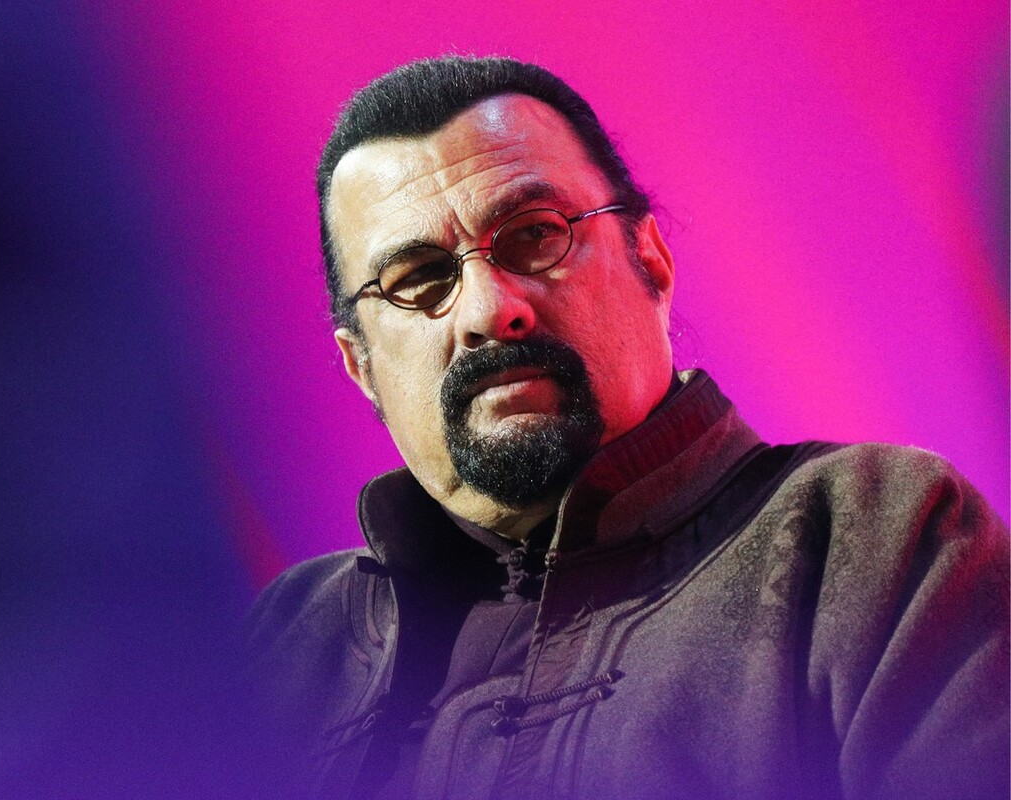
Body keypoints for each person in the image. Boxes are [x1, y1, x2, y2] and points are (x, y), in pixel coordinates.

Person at [237, 56, 1008, 800]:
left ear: (652, 261)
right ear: (361, 367)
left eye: (535, 235)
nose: (489, 310)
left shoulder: (871, 535)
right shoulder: (291, 642)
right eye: (419, 280)